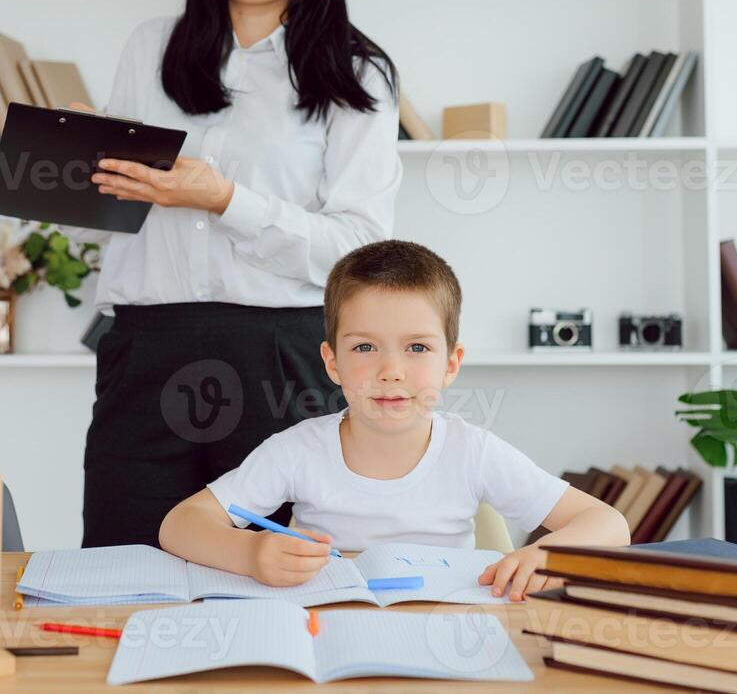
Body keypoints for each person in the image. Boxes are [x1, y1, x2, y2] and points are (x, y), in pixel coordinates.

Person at [78, 0, 402, 548]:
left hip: (276, 358)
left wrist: (226, 200)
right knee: (120, 570)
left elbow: (360, 251)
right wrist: (78, 174)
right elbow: (120, 212)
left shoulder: (355, 75)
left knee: (279, 575)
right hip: (144, 352)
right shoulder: (148, 48)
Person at [158, 240, 631, 600]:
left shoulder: (473, 451)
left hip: (450, 634)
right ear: (332, 362)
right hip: (329, 626)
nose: (391, 371)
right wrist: (251, 554)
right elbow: (180, 524)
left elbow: (608, 523)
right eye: (364, 347)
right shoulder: (296, 450)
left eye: (418, 347)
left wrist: (545, 554)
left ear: (451, 363)